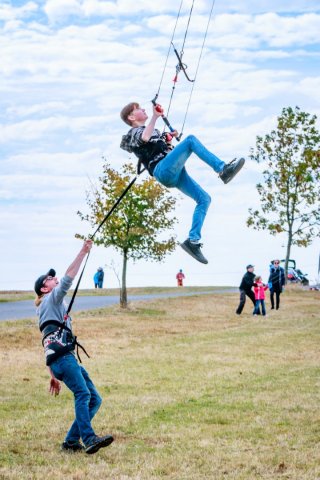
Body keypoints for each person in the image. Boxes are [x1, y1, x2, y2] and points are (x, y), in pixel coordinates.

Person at [120, 102, 245, 265]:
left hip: (173, 173)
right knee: (191, 140)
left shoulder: (154, 132)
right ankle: (223, 169)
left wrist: (168, 140)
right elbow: (144, 137)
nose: (143, 109)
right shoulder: (134, 132)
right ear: (131, 117)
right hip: (162, 170)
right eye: (139, 109)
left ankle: (193, 242)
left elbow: (164, 150)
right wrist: (155, 117)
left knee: (204, 199)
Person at [34, 240, 114, 454]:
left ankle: (70, 442)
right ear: (45, 288)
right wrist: (83, 252)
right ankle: (88, 439)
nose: (54, 278)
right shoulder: (50, 299)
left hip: (62, 360)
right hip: (64, 360)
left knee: (94, 398)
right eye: (50, 279)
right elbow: (69, 278)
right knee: (83, 394)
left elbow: (47, 344)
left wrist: (52, 374)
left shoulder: (50, 308)